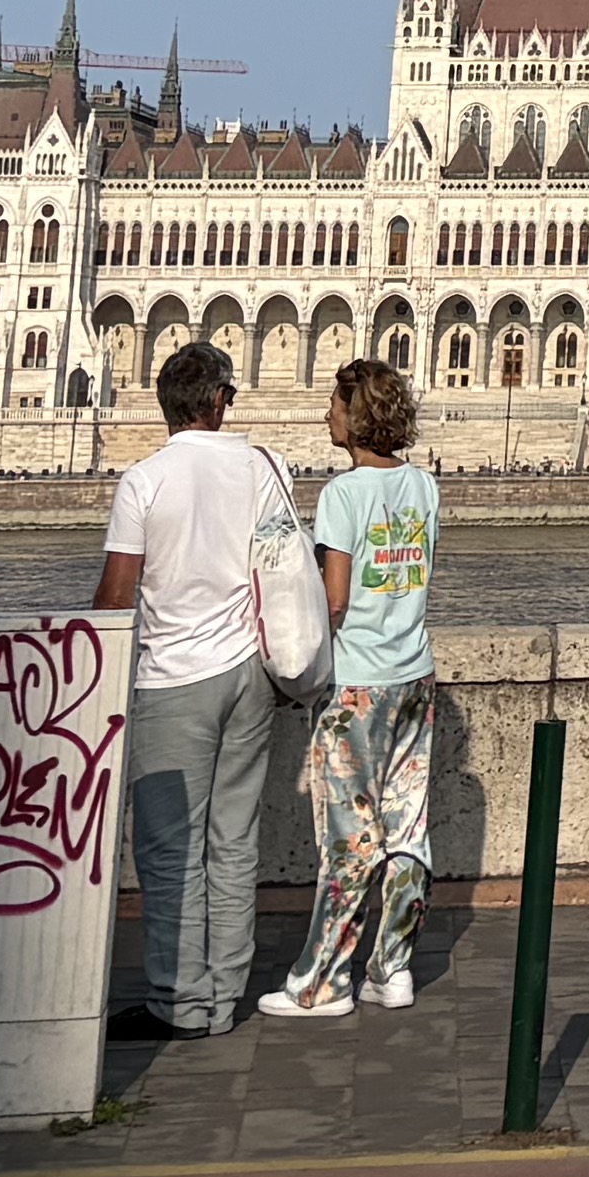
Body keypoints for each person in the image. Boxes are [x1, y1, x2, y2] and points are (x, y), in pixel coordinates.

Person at [97, 339, 294, 1042]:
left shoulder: (143, 481)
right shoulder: (266, 468)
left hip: (172, 677)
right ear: (219, 400)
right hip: (249, 672)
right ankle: (224, 993)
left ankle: (179, 1000)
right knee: (234, 841)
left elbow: (117, 595)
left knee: (169, 848)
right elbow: (280, 566)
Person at [255, 359, 441, 1019]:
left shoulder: (342, 495)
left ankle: (323, 984)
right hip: (416, 676)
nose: (326, 415)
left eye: (334, 404)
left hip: (358, 686)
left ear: (356, 415)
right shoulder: (424, 487)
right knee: (407, 827)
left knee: (350, 836)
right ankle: (392, 969)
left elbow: (333, 602)